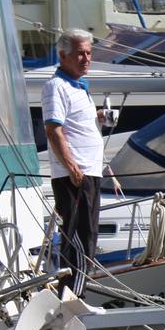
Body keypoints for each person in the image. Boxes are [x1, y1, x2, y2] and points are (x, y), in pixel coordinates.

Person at [42, 29, 106, 296]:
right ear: (63, 55)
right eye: (80, 53)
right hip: (76, 174)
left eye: (89, 53)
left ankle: (79, 291)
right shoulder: (56, 86)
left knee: (89, 235)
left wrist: (97, 118)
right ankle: (71, 296)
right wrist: (71, 167)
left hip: (89, 171)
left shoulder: (79, 87)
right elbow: (53, 129)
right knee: (78, 237)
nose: (86, 58)